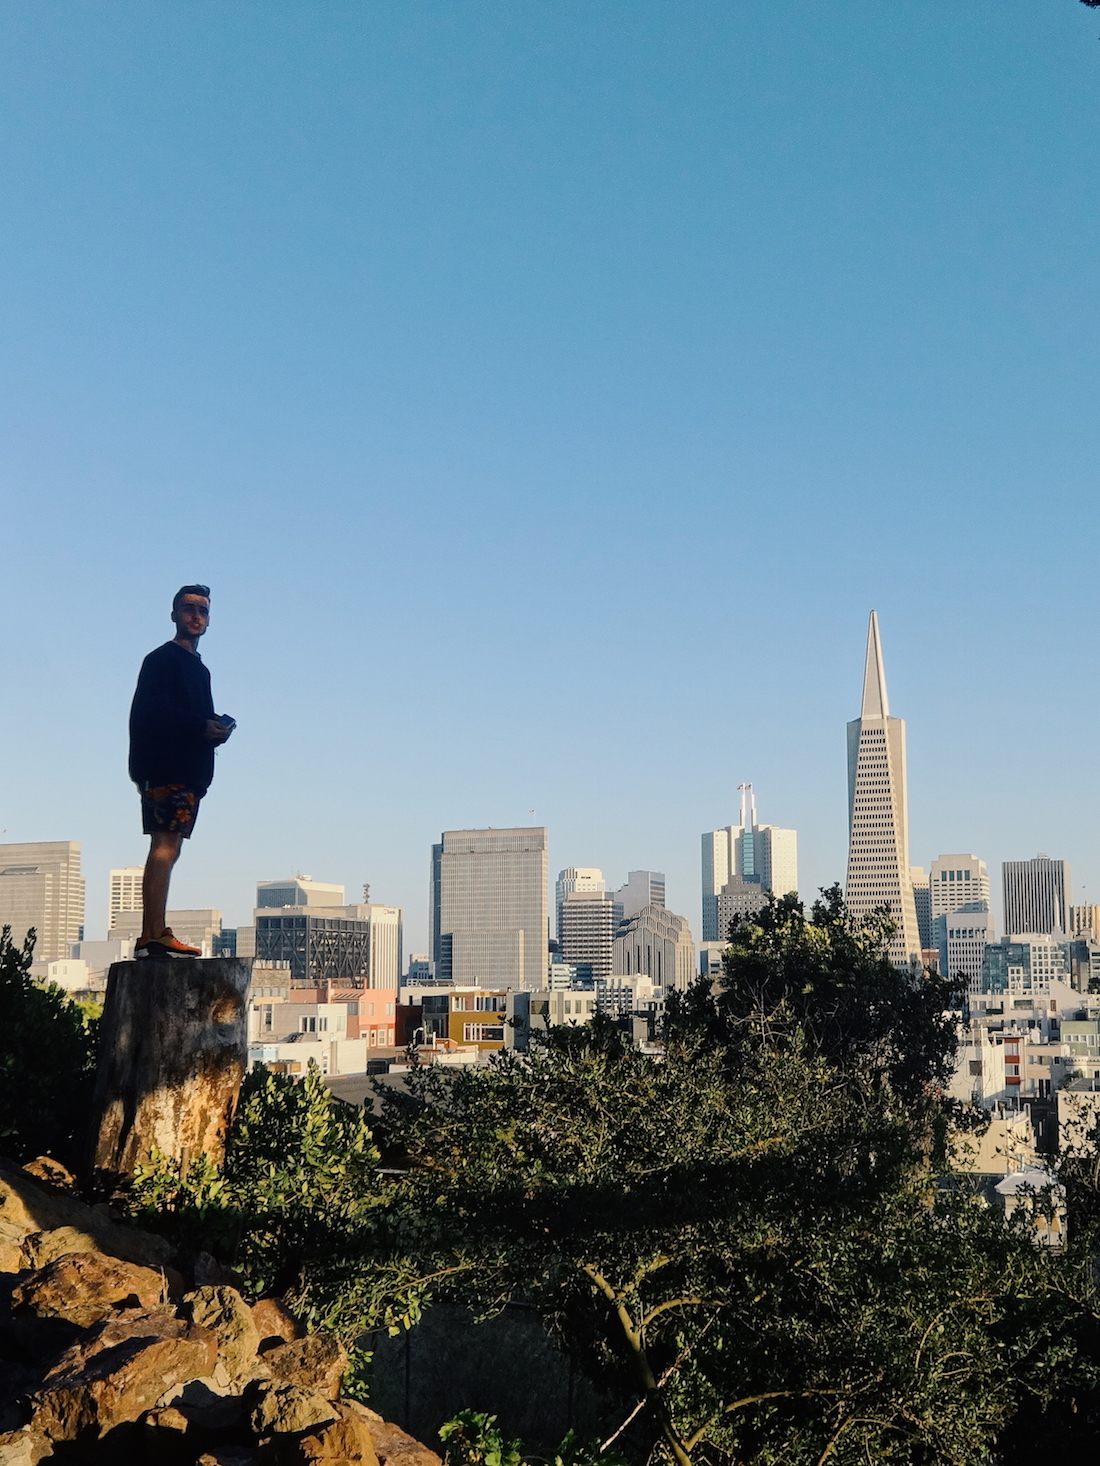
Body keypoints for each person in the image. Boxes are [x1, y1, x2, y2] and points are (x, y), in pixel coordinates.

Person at [128, 585, 234, 958]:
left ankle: (152, 933)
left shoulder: (197, 667)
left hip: (186, 770)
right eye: (188, 608)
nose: (195, 615)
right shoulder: (163, 659)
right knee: (164, 846)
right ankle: (152, 934)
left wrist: (211, 733)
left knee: (168, 847)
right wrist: (199, 727)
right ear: (174, 614)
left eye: (202, 610)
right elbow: (149, 714)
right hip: (166, 767)